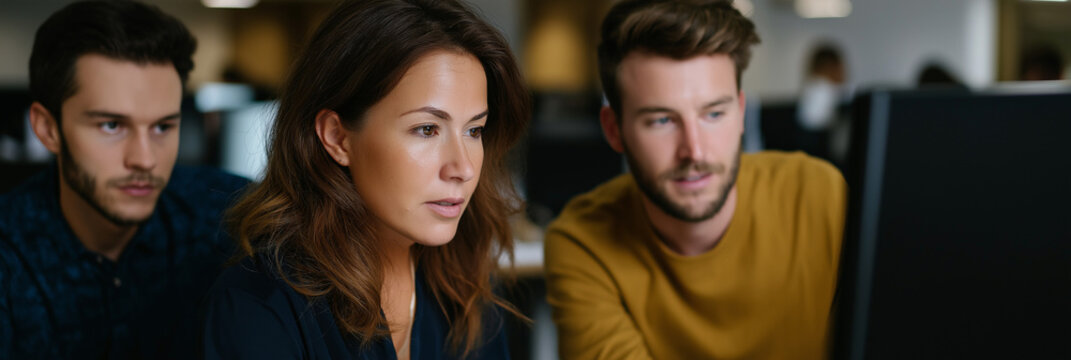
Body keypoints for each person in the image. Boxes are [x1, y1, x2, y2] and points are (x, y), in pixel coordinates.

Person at [199, 0, 530, 359]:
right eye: (427, 129)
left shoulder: (463, 281)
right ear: (337, 138)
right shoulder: (260, 305)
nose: (463, 168)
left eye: (474, 130)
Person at [544, 0, 847, 359]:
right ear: (614, 130)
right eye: (662, 121)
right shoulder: (582, 242)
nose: (695, 151)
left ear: (740, 113)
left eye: (714, 113)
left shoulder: (819, 195)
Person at [0, 1, 249, 359]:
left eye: (163, 127)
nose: (145, 160)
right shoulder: (9, 256)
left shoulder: (231, 215)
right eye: (111, 126)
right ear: (47, 129)